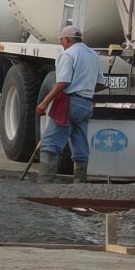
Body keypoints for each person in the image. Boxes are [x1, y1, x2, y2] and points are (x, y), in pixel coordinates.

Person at [36, 25, 106, 183]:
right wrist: (84, 87)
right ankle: (79, 183)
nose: (62, 43)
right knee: (79, 141)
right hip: (86, 104)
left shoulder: (68, 54)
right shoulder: (93, 55)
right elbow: (101, 84)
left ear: (67, 39)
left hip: (70, 102)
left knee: (50, 142)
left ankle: (45, 181)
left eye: (62, 40)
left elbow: (63, 82)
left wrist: (44, 103)